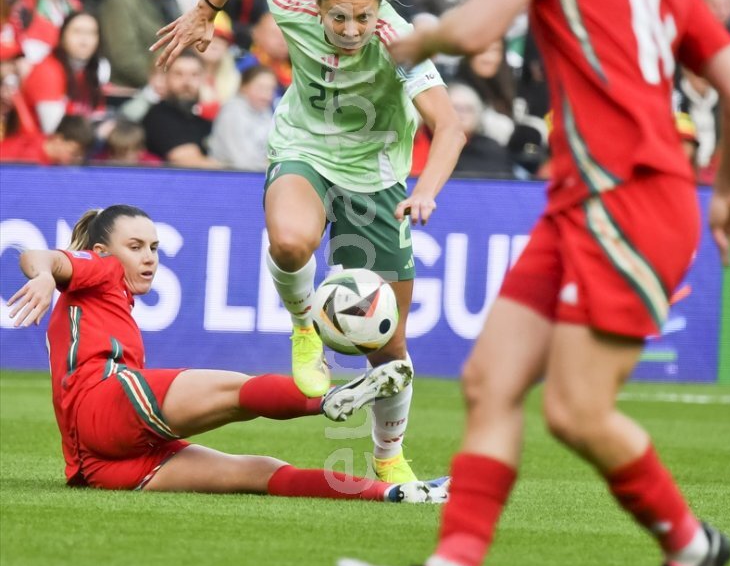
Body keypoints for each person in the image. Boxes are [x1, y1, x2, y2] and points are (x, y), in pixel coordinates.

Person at [335, 0, 730, 566]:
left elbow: (478, 28)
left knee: (576, 411)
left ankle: (690, 543)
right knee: (492, 381)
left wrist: (419, 35)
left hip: (628, 200)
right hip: (593, 202)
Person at [152, 0, 467, 485]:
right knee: (291, 243)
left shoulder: (401, 42)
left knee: (390, 345)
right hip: (306, 153)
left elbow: (452, 127)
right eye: (339, 17)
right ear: (317, 7)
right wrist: (208, 6)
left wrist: (427, 189)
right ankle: (304, 327)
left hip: (380, 182)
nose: (353, 30)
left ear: (380, 9)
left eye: (364, 17)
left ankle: (389, 457)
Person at [7, 204, 446, 500]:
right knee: (239, 393)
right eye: (136, 247)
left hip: (98, 465)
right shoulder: (98, 269)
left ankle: (394, 493)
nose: (149, 258)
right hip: (104, 402)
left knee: (255, 472)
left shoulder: (108, 296)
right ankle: (328, 399)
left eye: (155, 248)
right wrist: (46, 275)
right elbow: (35, 256)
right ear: (102, 252)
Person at [19, 10, 105, 134]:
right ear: (62, 37)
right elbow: (53, 129)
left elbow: (98, 117)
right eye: (77, 32)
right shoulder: (48, 70)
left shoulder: (89, 71)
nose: (85, 40)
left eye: (92, 33)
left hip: (78, 145)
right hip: (35, 149)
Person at [142, 48, 220, 168]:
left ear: (203, 79)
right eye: (179, 74)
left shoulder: (200, 117)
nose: (187, 82)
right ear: (166, 78)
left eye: (194, 75)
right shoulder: (159, 116)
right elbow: (192, 162)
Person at [209, 63, 277, 170]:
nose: (267, 95)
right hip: (230, 178)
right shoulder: (232, 112)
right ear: (244, 87)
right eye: (261, 88)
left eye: (271, 89)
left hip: (258, 174)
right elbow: (241, 161)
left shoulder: (265, 111)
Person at [0, 112, 94, 164]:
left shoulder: (40, 141)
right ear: (58, 139)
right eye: (73, 153)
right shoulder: (29, 159)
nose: (74, 159)